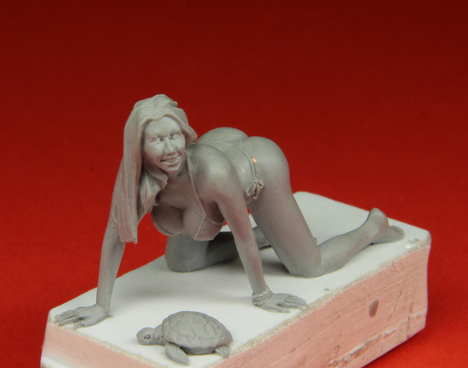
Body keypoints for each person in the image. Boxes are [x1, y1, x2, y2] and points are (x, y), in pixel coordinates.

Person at [55, 94, 403, 328]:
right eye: (157, 140)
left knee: (309, 266)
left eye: (175, 136)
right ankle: (270, 235)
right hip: (218, 155)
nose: (170, 149)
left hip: (257, 167)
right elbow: (115, 236)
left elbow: (240, 233)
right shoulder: (135, 176)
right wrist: (101, 305)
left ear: (185, 134)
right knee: (181, 262)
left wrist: (262, 294)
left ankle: (373, 227)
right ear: (139, 147)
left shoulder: (214, 174)